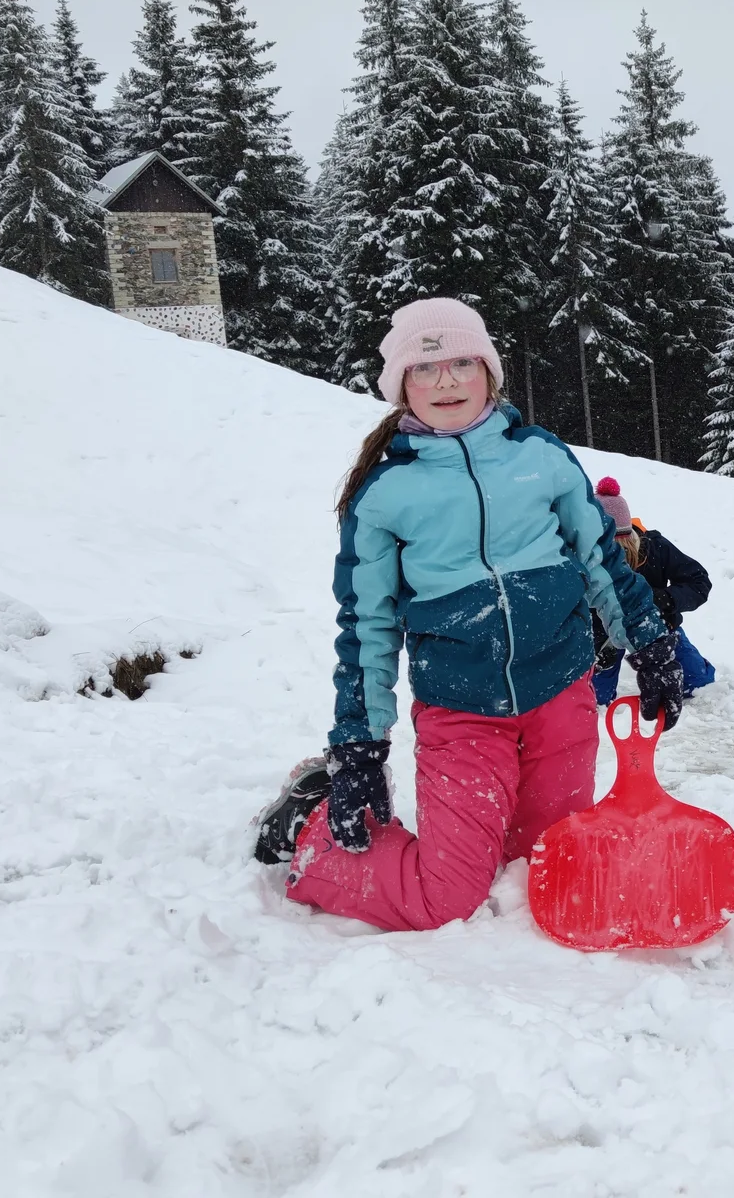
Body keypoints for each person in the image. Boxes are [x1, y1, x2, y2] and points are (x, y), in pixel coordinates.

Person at [251, 297, 684, 932]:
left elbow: (602, 563)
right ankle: (313, 827)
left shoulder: (541, 457)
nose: (447, 381)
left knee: (540, 871)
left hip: (558, 699)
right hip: (461, 714)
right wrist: (358, 747)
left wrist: (649, 646)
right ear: (401, 385)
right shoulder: (385, 495)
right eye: (425, 370)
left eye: (462, 363)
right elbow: (366, 628)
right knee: (446, 899)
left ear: (489, 372)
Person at [588, 476, 715, 723]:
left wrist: (665, 599)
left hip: (656, 628)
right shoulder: (583, 555)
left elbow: (699, 583)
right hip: (603, 638)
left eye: (622, 548)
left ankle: (698, 665)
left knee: (698, 684)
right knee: (595, 701)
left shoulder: (655, 546)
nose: (616, 558)